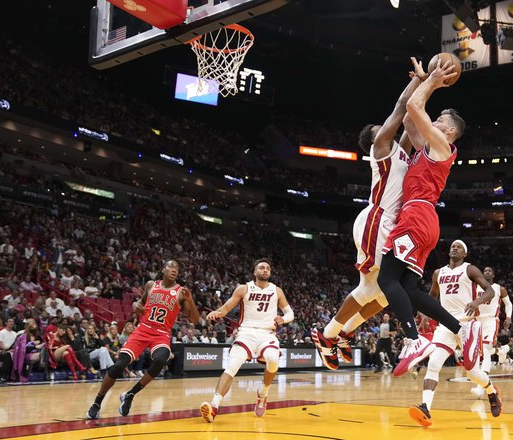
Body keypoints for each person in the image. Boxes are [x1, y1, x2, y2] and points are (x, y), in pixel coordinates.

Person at [312, 57, 429, 370]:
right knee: (377, 289)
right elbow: (403, 105)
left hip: (387, 223)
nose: (387, 126)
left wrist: (430, 87)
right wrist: (420, 79)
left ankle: (342, 333)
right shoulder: (380, 148)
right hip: (377, 219)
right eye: (382, 127)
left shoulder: (400, 150)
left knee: (380, 295)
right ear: (375, 137)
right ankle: (327, 334)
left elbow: (410, 118)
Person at [376, 59, 476, 376]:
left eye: (440, 119)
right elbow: (409, 119)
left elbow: (417, 110)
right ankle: (459, 328)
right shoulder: (428, 148)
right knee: (411, 289)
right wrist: (422, 80)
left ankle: (414, 339)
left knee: (386, 279)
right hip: (423, 219)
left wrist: (431, 81)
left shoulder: (443, 145)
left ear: (448, 131)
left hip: (417, 216)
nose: (434, 120)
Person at [86, 260, 199, 419]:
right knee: (118, 366)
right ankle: (97, 403)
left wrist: (191, 299)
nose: (174, 270)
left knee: (161, 359)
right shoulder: (151, 285)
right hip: (142, 329)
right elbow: (139, 304)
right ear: (163, 269)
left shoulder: (181, 292)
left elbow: (195, 319)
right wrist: (134, 306)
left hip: (161, 334)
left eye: (177, 268)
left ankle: (130, 394)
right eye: (171, 266)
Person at [408, 240, 503, 427]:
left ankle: (492, 392)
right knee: (433, 363)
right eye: (453, 246)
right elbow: (432, 297)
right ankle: (425, 408)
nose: (455, 247)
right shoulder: (438, 273)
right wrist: (427, 314)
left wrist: (476, 303)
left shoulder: (470, 270)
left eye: (459, 247)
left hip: (468, 324)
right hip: (446, 324)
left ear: (464, 254)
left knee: (472, 371)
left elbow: (490, 291)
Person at [199, 258, 294, 423]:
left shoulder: (276, 291)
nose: (265, 270)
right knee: (232, 366)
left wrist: (282, 320)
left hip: (267, 334)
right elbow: (226, 308)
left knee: (273, 360)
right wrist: (217, 312)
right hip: (246, 333)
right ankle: (214, 407)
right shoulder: (243, 288)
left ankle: (262, 394)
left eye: (267, 268)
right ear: (254, 272)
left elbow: (290, 314)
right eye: (261, 268)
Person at [471, 266, 513, 398]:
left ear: (493, 275)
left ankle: (481, 387)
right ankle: (502, 351)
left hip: (491, 321)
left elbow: (509, 304)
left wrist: (508, 317)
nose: (487, 272)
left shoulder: (499, 289)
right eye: (485, 271)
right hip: (477, 321)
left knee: (486, 349)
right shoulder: (476, 287)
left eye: (489, 271)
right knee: (481, 351)